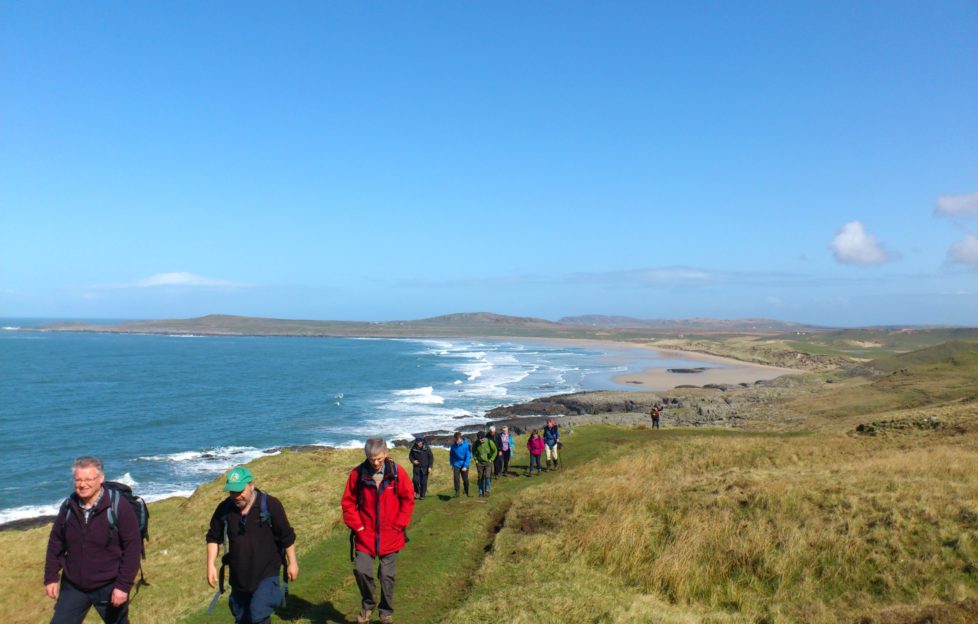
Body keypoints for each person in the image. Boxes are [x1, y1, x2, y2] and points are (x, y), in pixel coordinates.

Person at [44, 456, 141, 624]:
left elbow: (132, 548)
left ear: (101, 479)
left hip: (109, 585)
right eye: (78, 480)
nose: (82, 484)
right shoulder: (68, 506)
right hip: (74, 586)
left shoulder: (118, 506)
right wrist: (51, 576)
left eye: (88, 479)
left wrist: (123, 586)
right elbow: (56, 542)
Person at [206, 466, 298, 624]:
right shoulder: (224, 509)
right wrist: (210, 565)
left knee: (258, 614)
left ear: (251, 485)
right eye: (232, 491)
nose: (236, 496)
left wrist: (292, 563)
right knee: (241, 617)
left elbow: (286, 537)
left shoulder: (271, 505)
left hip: (266, 574)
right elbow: (213, 537)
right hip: (239, 578)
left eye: (240, 491)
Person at [341, 438, 415, 624]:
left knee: (386, 575)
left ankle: (386, 612)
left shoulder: (397, 473)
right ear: (366, 455)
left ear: (386, 453)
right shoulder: (357, 474)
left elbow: (407, 499)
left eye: (379, 459)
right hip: (365, 534)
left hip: (391, 533)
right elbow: (348, 503)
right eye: (371, 458)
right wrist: (357, 526)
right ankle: (368, 604)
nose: (375, 462)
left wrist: (399, 525)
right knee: (361, 570)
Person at [472, 430, 497, 497]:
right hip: (479, 463)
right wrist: (476, 460)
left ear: (484, 437)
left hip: (488, 462)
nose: (481, 440)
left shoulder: (489, 442)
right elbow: (473, 452)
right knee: (480, 478)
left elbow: (495, 450)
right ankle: (480, 492)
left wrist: (491, 459)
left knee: (487, 477)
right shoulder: (475, 443)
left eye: (482, 439)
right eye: (480, 439)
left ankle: (487, 491)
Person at [448, 431, 472, 497]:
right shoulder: (453, 446)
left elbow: (468, 456)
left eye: (457, 440)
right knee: (456, 478)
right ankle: (457, 492)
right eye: (455, 440)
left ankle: (466, 491)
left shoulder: (466, 445)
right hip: (456, 464)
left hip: (464, 463)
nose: (456, 441)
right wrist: (452, 464)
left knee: (465, 479)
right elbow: (451, 456)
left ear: (460, 438)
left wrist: (465, 466)